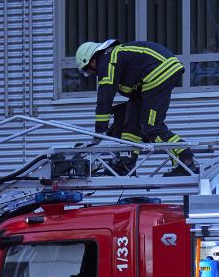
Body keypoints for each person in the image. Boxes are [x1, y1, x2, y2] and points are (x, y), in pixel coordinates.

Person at [75, 38, 198, 176]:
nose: (94, 74)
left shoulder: (106, 60)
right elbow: (131, 98)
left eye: (90, 70)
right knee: (131, 120)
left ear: (92, 60)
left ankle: (186, 160)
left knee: (151, 127)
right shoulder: (116, 57)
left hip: (158, 71)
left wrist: (99, 133)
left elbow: (105, 97)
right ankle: (127, 163)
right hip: (153, 75)